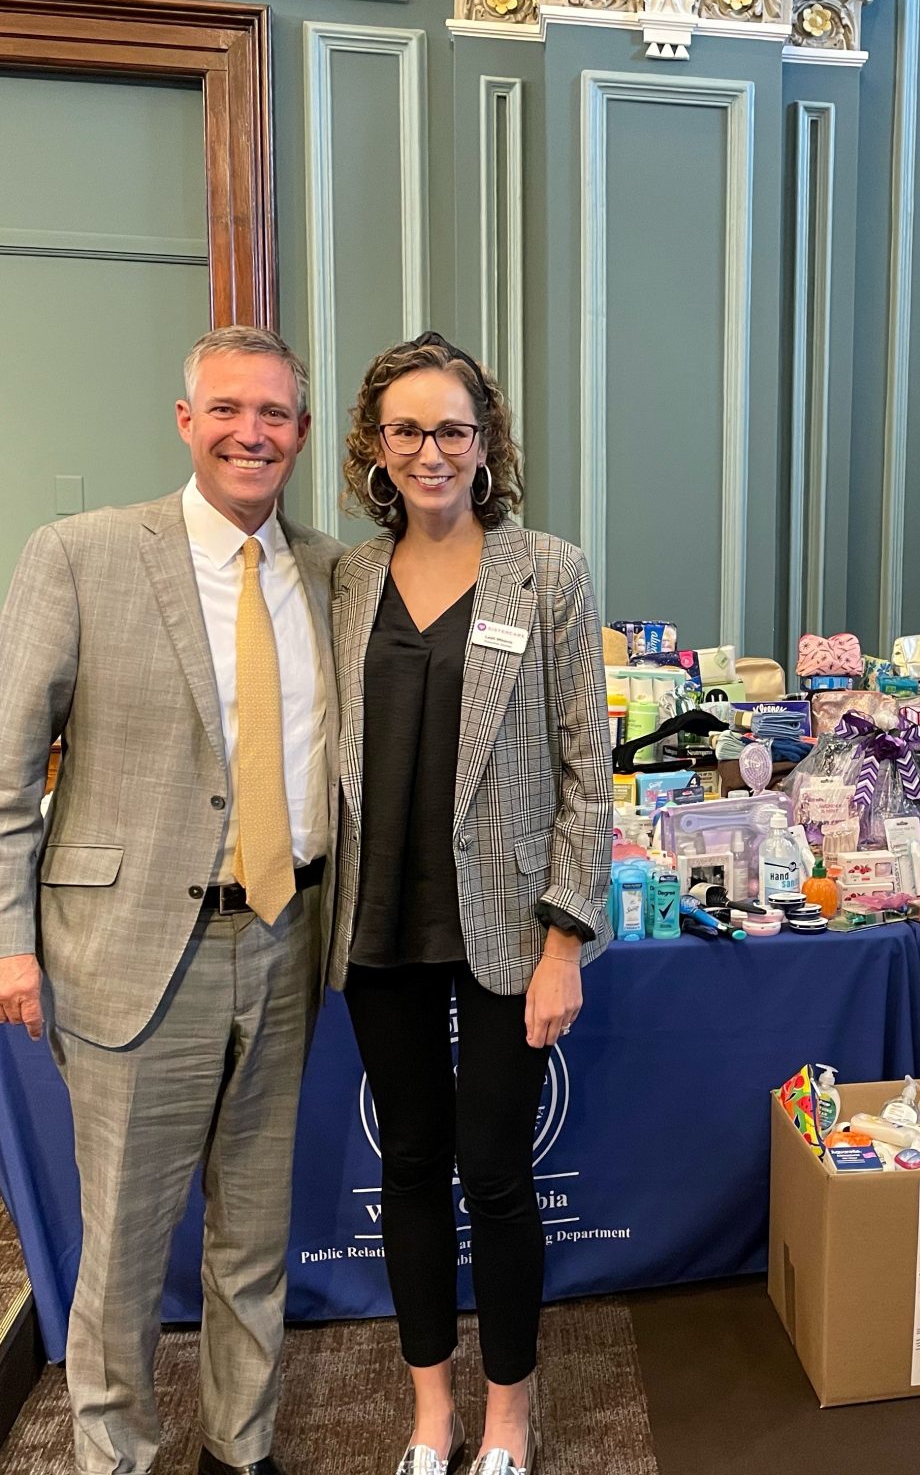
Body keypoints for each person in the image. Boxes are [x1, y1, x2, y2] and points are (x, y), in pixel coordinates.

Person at [0, 326, 345, 1475]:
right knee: (124, 1248)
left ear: (301, 433)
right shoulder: (79, 555)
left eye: (272, 413)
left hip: (287, 936)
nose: (249, 432)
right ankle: (115, 1455)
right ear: (185, 422)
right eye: (227, 409)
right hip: (131, 952)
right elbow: (5, 767)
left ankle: (240, 1447)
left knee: (254, 1234)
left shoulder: (333, 573)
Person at [327, 332, 610, 1475]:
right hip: (378, 919)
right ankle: (429, 1415)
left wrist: (565, 940)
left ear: (486, 441)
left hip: (506, 923)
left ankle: (505, 1421)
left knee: (492, 1171)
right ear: (373, 445)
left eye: (452, 429)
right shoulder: (344, 578)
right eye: (407, 430)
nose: (430, 451)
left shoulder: (547, 571)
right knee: (406, 1166)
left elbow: (587, 770)